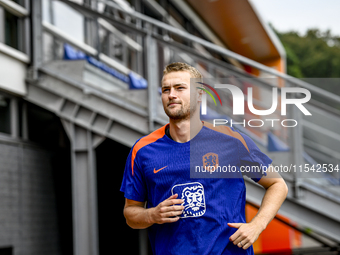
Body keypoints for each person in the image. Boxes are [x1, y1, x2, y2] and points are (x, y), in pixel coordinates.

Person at [120, 62, 288, 254]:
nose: (171, 94)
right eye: (166, 89)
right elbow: (131, 213)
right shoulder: (142, 150)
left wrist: (257, 225)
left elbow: (277, 185)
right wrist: (152, 214)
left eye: (180, 88)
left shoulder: (230, 140)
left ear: (199, 94)